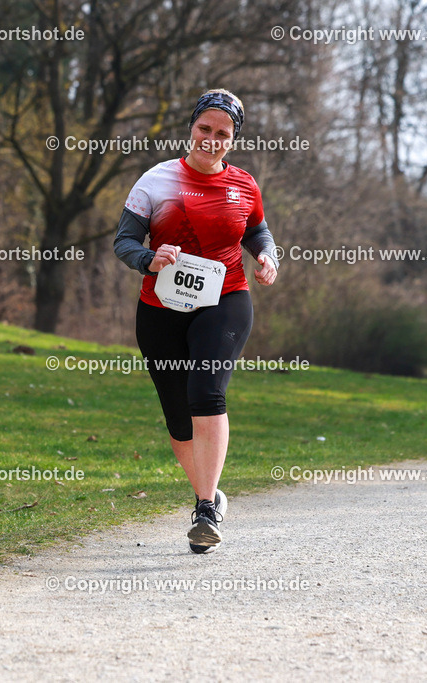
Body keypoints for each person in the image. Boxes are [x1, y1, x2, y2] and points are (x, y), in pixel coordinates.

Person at [113, 89, 279, 554]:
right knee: (176, 414)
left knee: (206, 391)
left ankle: (205, 509)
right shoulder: (156, 180)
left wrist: (267, 256)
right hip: (161, 307)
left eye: (222, 133)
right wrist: (149, 257)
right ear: (191, 129)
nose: (211, 139)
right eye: (204, 129)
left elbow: (257, 230)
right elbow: (123, 242)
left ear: (233, 139)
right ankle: (208, 492)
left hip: (225, 299)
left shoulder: (244, 184)